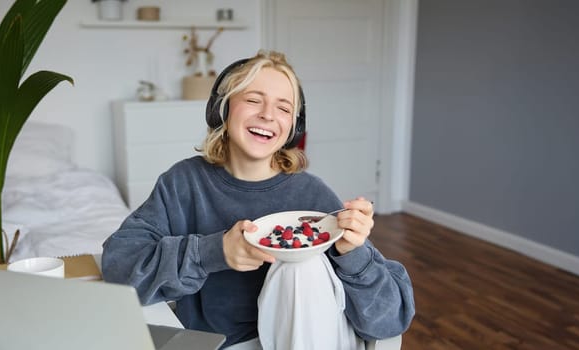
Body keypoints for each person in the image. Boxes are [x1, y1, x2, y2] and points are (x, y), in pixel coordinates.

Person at [101, 50, 415, 349]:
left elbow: (391, 320)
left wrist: (353, 255)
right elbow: (119, 267)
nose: (267, 115)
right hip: (220, 343)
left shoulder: (313, 196)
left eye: (283, 108)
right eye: (253, 100)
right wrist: (215, 251)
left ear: (294, 126)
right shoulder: (183, 185)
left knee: (300, 267)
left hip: (313, 338)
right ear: (222, 110)